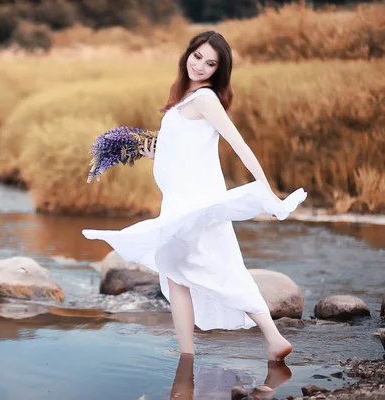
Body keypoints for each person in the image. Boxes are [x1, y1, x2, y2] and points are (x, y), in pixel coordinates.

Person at [82, 31, 307, 361]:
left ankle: (267, 339)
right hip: (180, 201)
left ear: (218, 70)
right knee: (178, 273)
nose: (200, 65)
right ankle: (192, 352)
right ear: (188, 54)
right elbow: (184, 153)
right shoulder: (182, 100)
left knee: (215, 269)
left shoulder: (205, 99)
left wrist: (267, 191)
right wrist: (151, 154)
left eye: (210, 63)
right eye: (197, 56)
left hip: (196, 204)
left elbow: (239, 144)